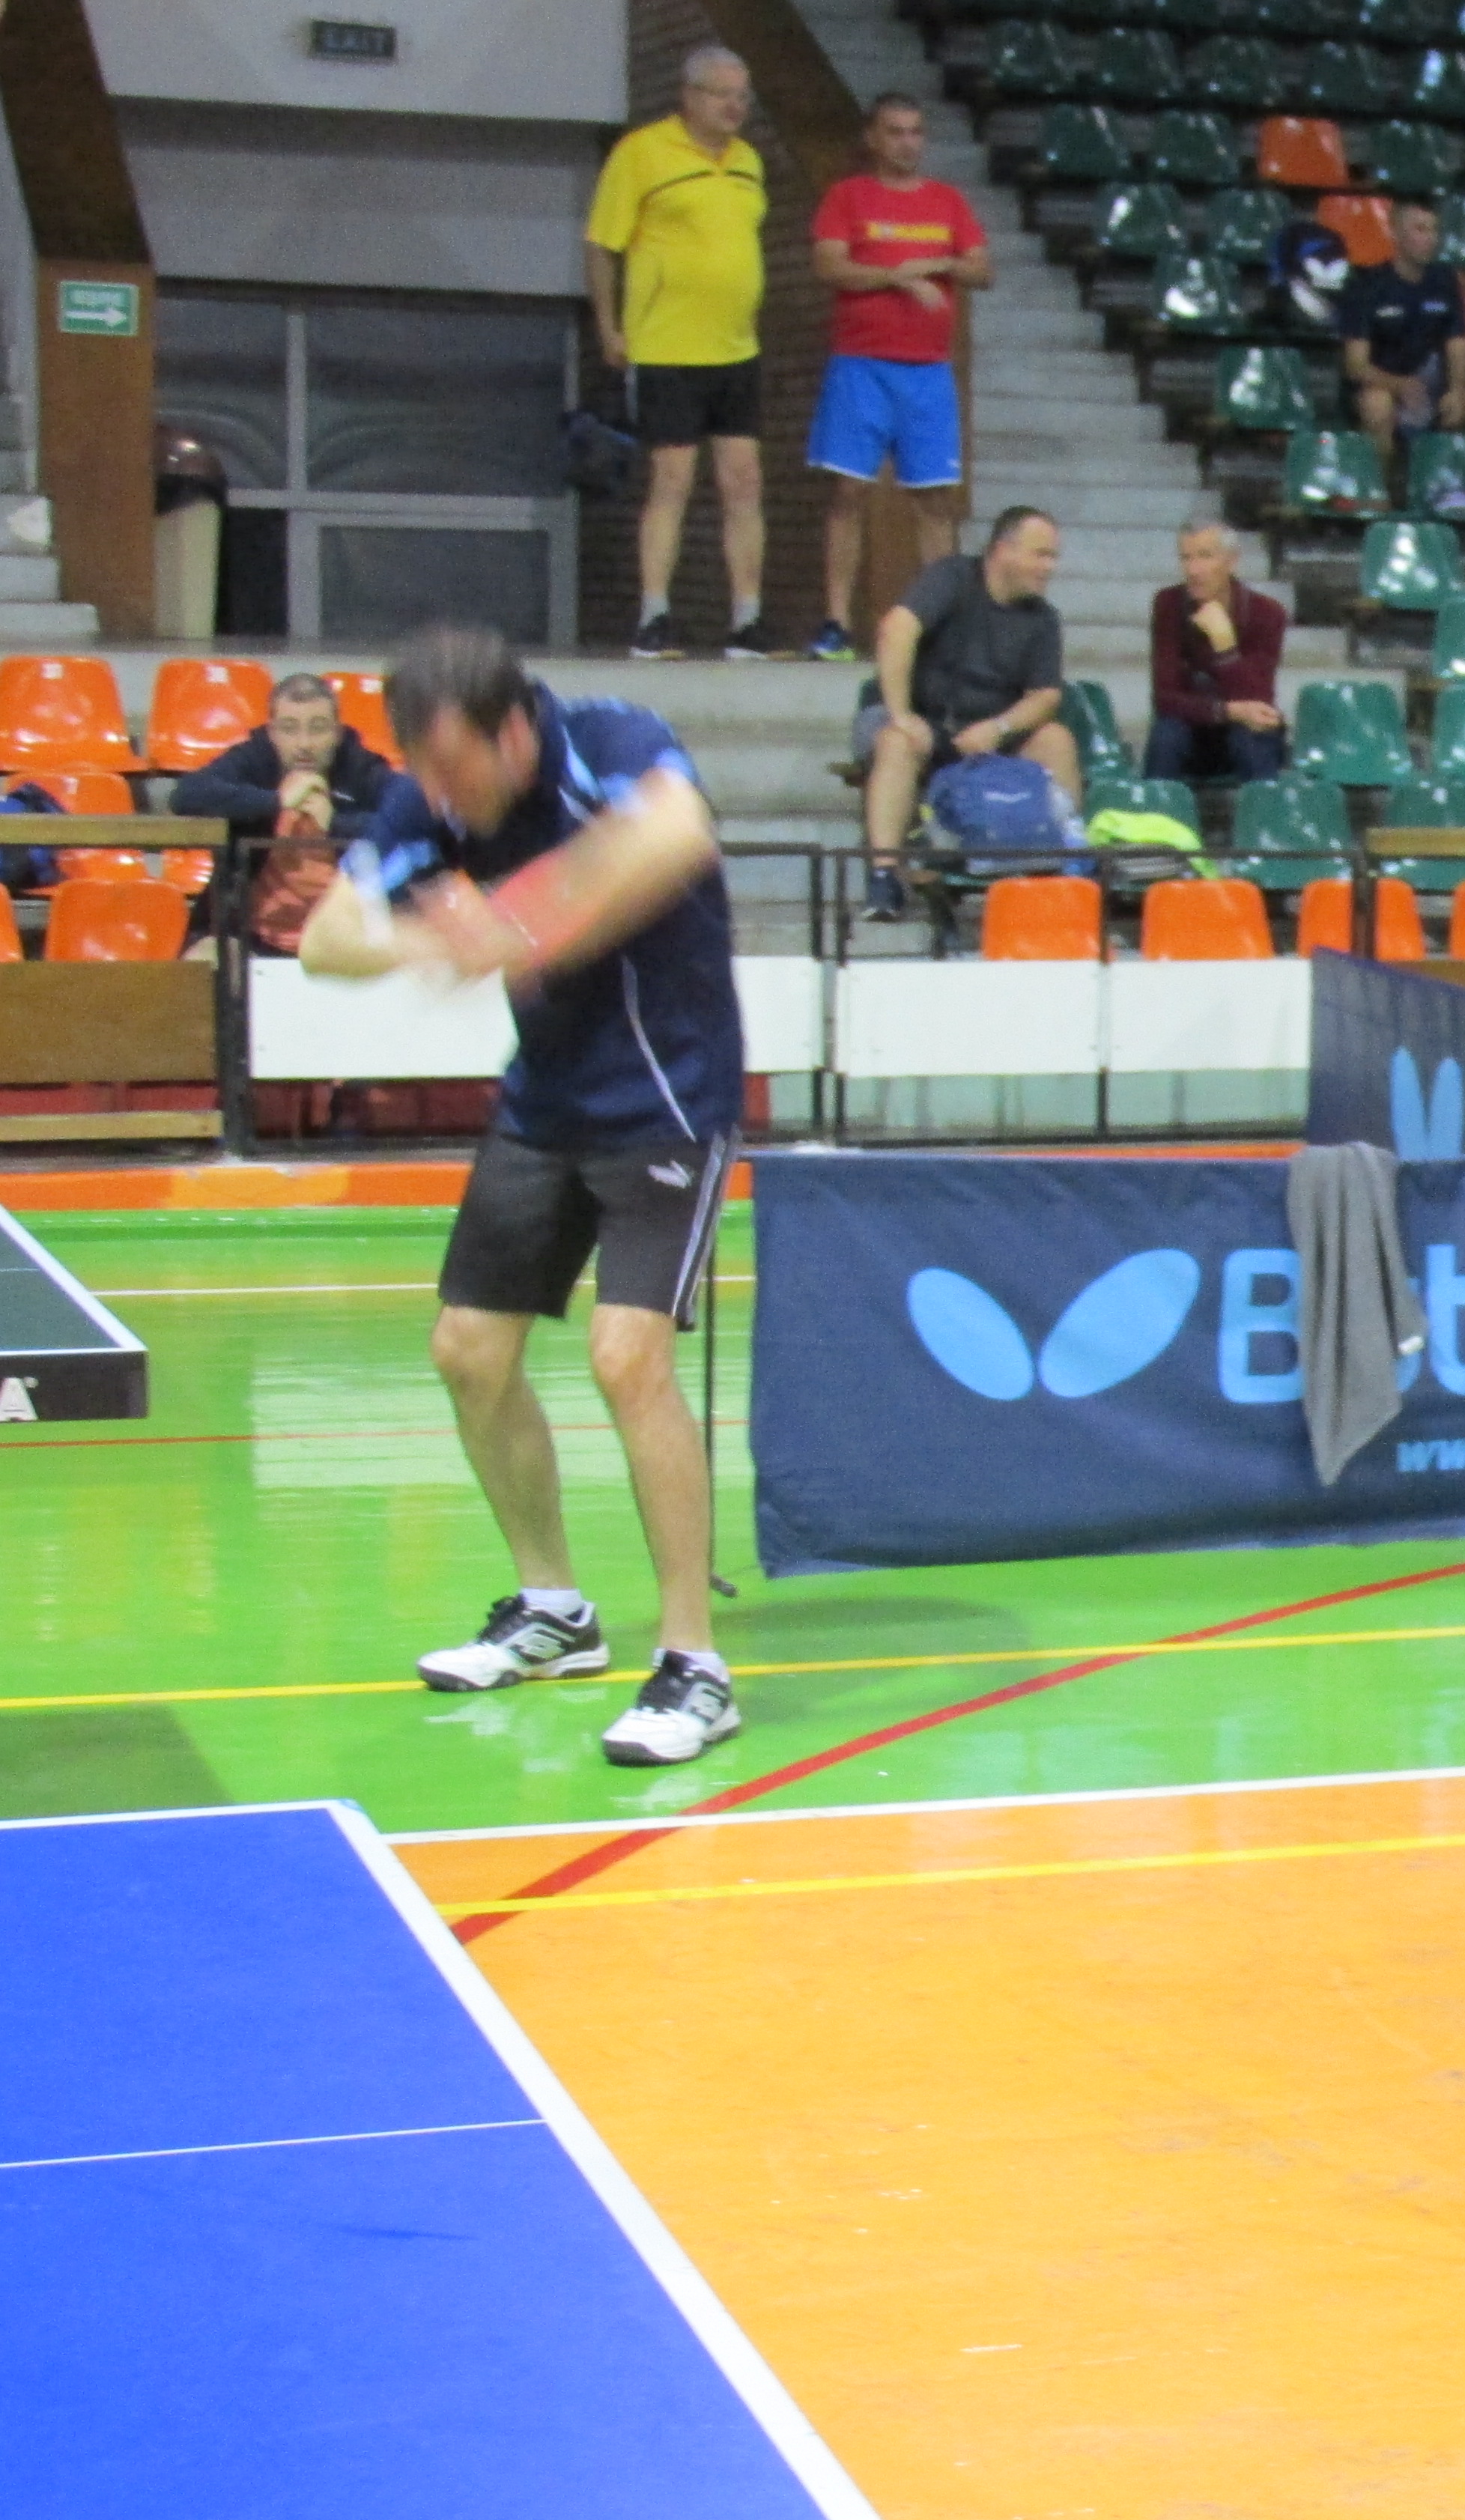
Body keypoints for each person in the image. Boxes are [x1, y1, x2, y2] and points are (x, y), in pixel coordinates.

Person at [294, 628, 747, 1767]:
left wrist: (522, 919)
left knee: (626, 1359)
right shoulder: (434, 799)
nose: (441, 798)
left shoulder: (610, 743)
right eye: (425, 774)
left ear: (512, 731)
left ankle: (695, 1666)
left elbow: (679, 834)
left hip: (668, 1097)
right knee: (467, 1352)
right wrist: (423, 936)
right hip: (544, 1105)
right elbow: (324, 941)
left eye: (456, 769)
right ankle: (555, 1608)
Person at [587, 45, 773, 660]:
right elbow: (601, 244)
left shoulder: (748, 161)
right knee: (672, 480)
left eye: (743, 96)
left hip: (736, 346)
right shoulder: (642, 153)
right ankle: (654, 615)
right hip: (667, 346)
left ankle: (748, 619)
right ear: (690, 95)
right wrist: (609, 327)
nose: (735, 107)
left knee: (744, 481)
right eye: (723, 94)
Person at [805, 91, 989, 662]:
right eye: (895, 132)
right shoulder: (848, 196)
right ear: (872, 137)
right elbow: (829, 265)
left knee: (935, 500)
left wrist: (938, 264)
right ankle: (836, 623)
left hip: (928, 371)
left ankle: (943, 624)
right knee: (848, 492)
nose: (907, 143)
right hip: (860, 364)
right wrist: (898, 277)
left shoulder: (946, 200)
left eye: (915, 132)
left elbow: (982, 269)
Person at [857, 505, 1075, 911]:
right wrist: (901, 714)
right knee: (896, 741)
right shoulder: (952, 577)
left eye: (1053, 556)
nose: (1050, 567)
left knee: (1056, 740)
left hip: (990, 734)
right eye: (1041, 555)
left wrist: (999, 728)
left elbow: (1046, 696)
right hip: (927, 720)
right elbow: (897, 628)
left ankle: (1065, 866)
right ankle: (884, 876)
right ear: (1003, 550)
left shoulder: (1044, 619)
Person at [169, 672, 404, 956]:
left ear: (337, 732)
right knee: (204, 959)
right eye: (290, 729)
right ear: (272, 733)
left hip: (347, 942)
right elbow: (186, 795)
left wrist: (335, 823)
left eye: (318, 729)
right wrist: (275, 801)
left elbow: (413, 819)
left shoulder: (361, 768)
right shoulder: (255, 759)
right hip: (251, 939)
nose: (304, 744)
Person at [1336, 201, 1465, 490]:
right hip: (1386, 388)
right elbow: (1356, 365)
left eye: (1434, 230)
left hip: (1433, 391)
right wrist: (1399, 386)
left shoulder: (1445, 282)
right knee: (1376, 405)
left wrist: (1456, 391)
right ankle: (1382, 492)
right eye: (1420, 229)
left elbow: (1458, 347)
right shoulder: (1367, 286)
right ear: (1395, 232)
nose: (1430, 238)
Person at [1147, 519, 1287, 786]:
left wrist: (1225, 646)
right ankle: (1155, 809)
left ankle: (1264, 810)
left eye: (1205, 557)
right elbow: (1165, 699)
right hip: (1189, 732)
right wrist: (1229, 711)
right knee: (1167, 733)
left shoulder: (1267, 613)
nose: (1193, 570)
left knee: (1253, 735)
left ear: (1231, 561)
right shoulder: (1169, 605)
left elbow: (1258, 701)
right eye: (1186, 558)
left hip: (1242, 736)